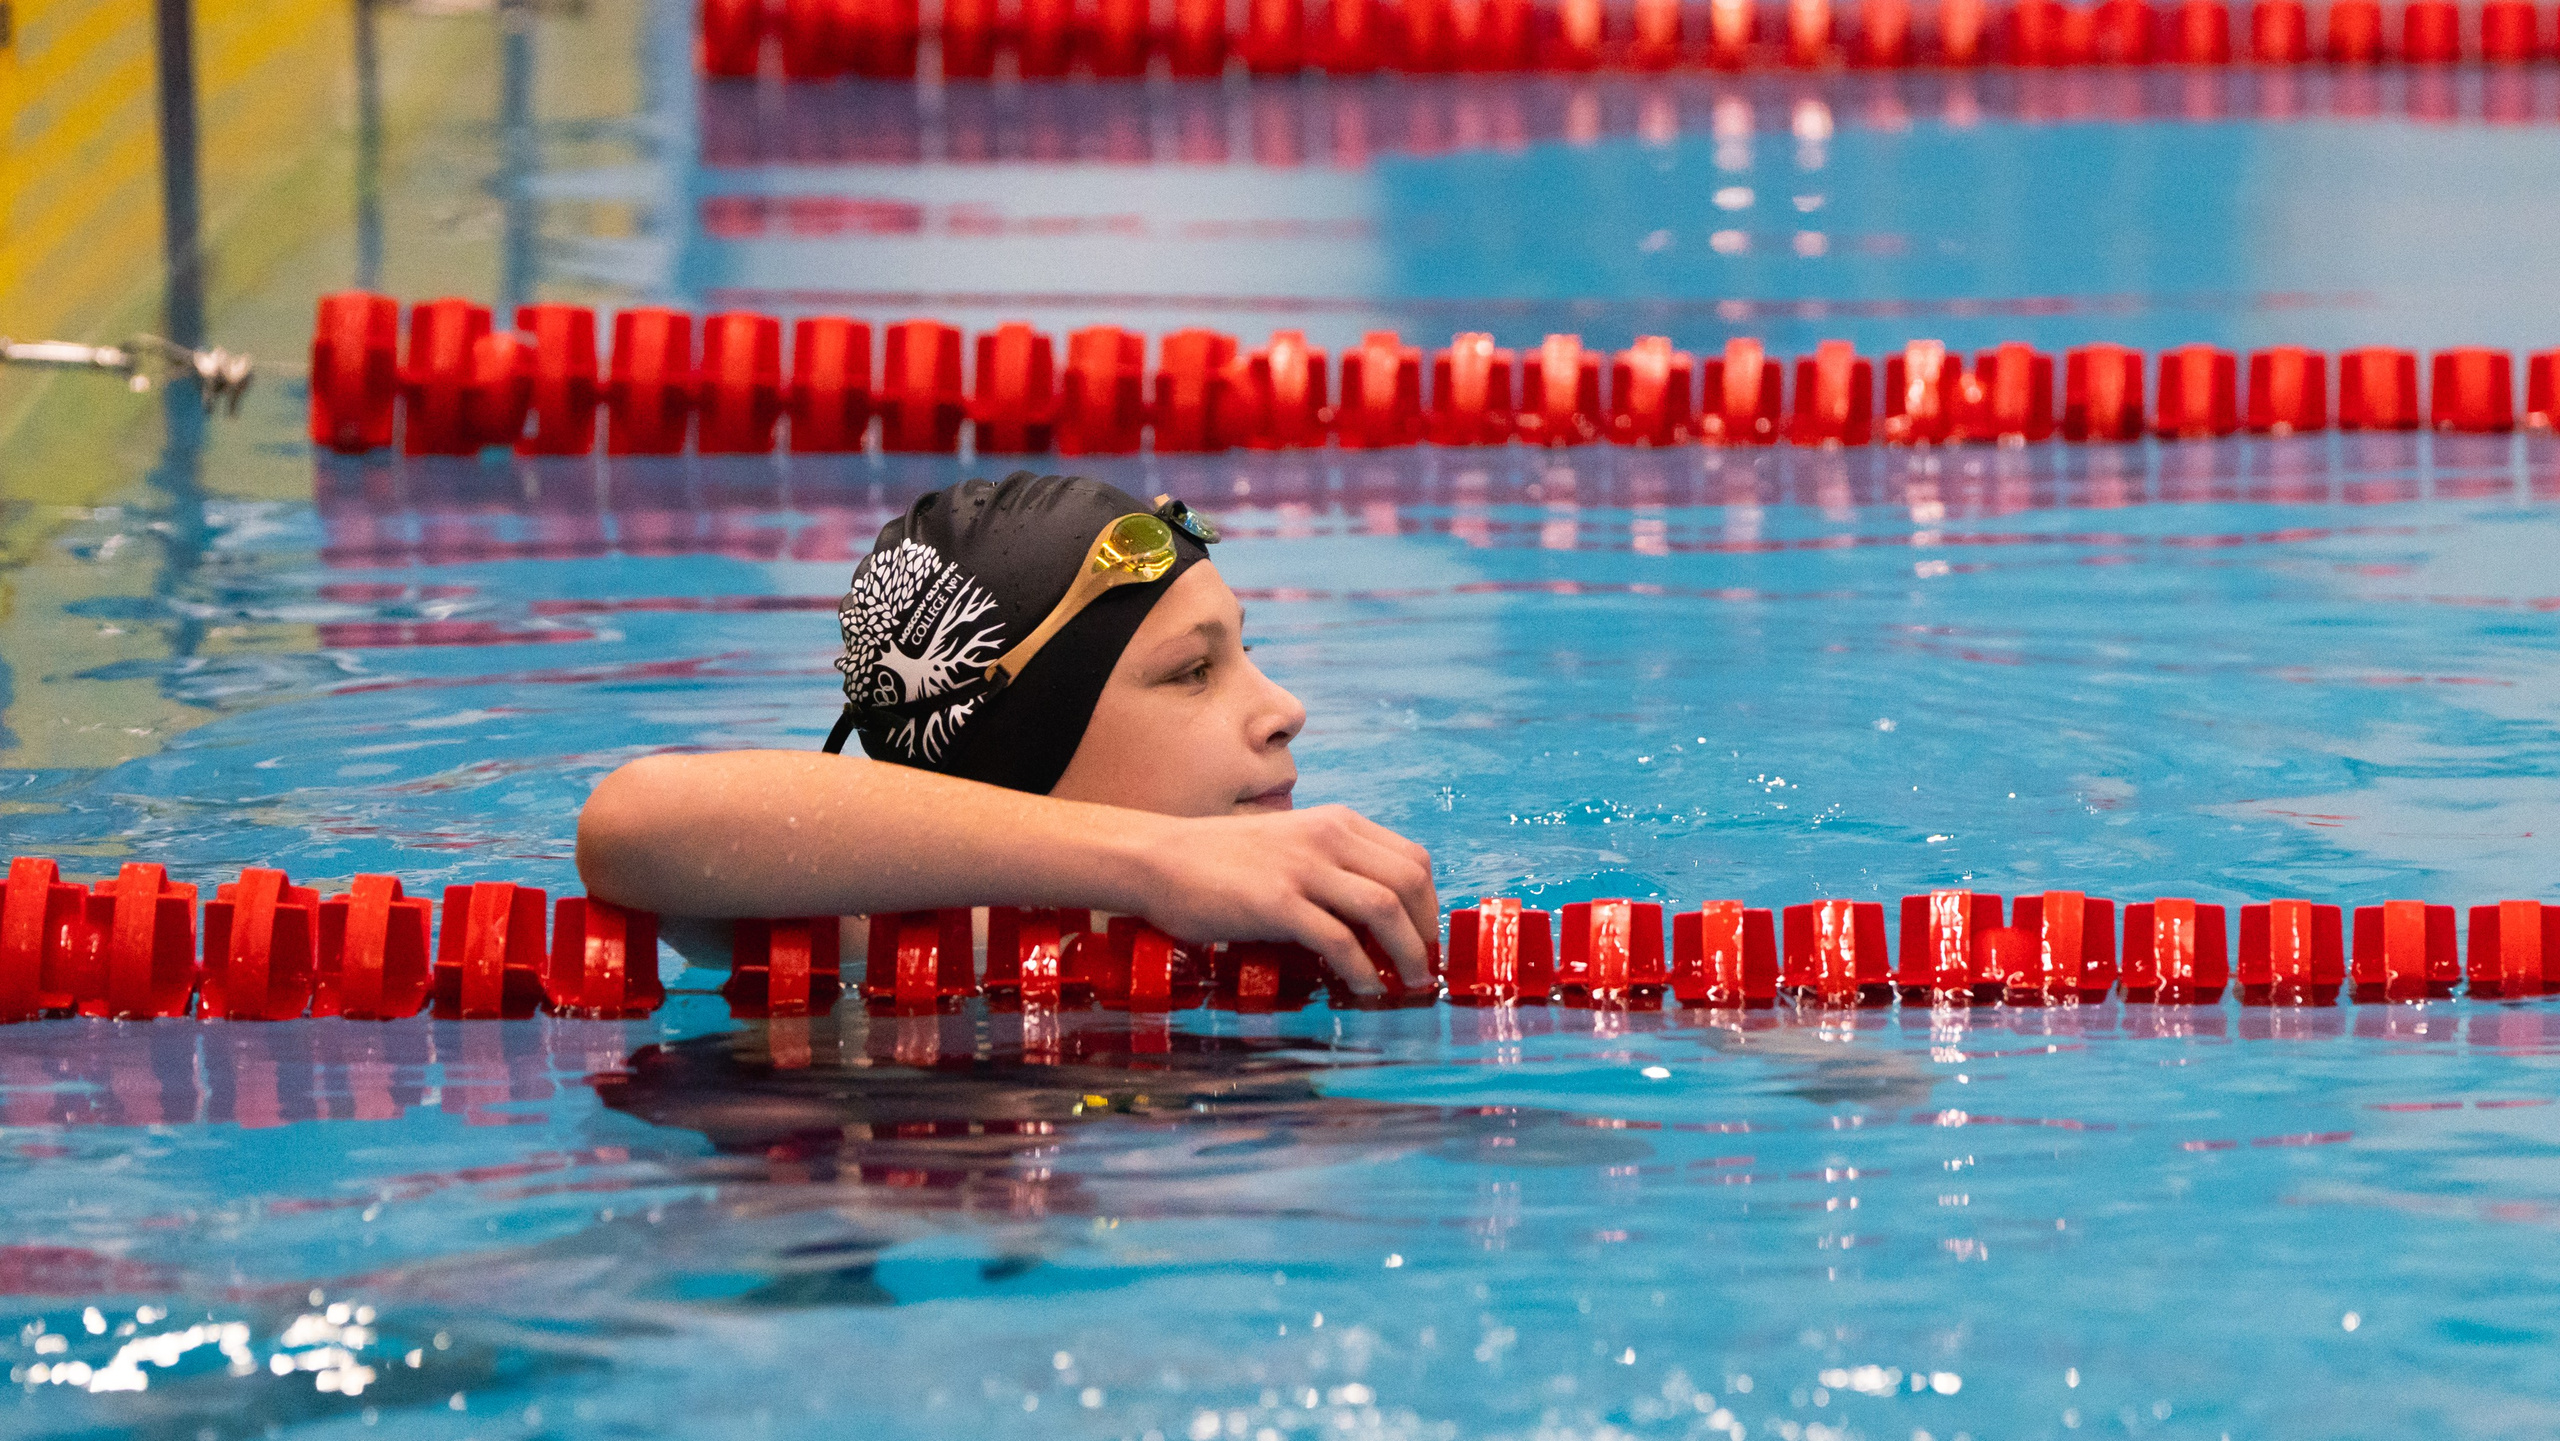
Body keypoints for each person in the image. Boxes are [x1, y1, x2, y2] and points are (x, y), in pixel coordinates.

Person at [575, 472, 1439, 995]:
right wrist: (1160, 860)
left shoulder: (1314, 915)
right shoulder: (867, 940)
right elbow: (633, 823)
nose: (1286, 707)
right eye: (1191, 672)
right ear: (1025, 739)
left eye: (1247, 652)